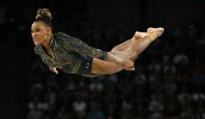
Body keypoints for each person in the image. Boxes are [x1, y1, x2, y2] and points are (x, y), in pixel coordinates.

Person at [31, 8, 164, 77]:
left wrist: (122, 63)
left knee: (130, 55)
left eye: (37, 30)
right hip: (86, 71)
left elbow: (91, 51)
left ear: (48, 31)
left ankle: (152, 34)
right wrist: (52, 65)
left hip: (91, 63)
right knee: (115, 53)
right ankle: (135, 38)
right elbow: (50, 59)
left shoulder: (63, 41)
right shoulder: (39, 49)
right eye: (32, 31)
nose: (33, 34)